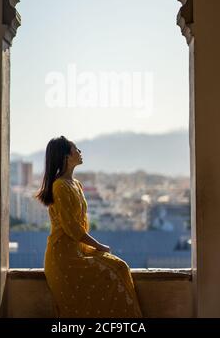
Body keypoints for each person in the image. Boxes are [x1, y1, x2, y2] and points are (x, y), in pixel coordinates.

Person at [36, 135, 143, 318]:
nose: (80, 152)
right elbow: (74, 229)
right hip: (64, 259)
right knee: (117, 269)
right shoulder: (60, 186)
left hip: (78, 252)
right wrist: (99, 247)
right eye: (76, 149)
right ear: (66, 157)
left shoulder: (75, 184)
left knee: (119, 267)